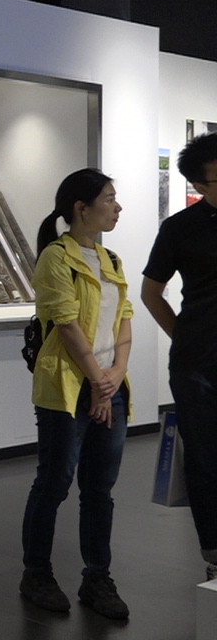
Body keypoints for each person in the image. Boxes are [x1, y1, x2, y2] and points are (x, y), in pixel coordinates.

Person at [19, 169, 132, 620]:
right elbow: (67, 325)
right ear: (81, 208)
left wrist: (115, 375)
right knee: (54, 482)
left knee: (99, 489)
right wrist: (98, 380)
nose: (117, 207)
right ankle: (36, 573)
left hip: (109, 385)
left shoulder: (112, 259)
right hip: (67, 387)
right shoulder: (56, 257)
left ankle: (97, 576)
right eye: (109, 198)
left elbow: (124, 319)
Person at [141, 131, 217, 583]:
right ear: (201, 186)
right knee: (205, 457)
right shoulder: (180, 228)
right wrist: (184, 337)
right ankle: (214, 551)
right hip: (197, 366)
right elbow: (152, 292)